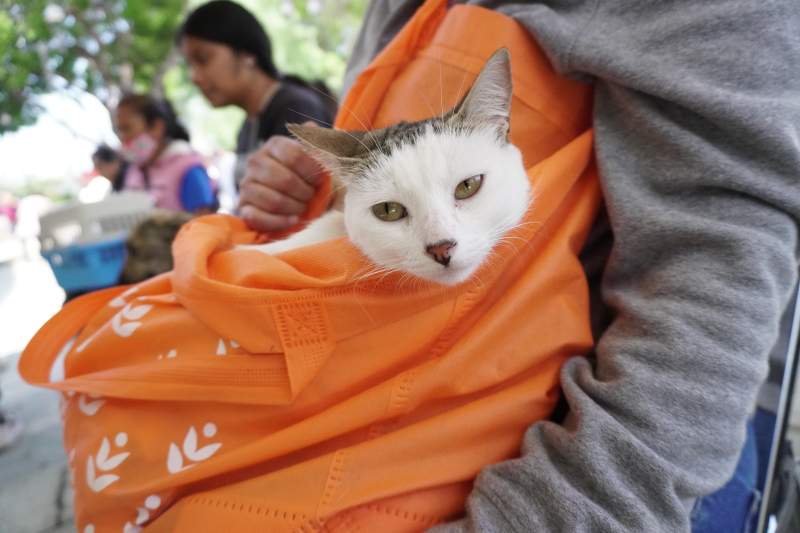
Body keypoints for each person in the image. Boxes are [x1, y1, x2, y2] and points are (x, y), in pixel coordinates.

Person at [238, 1, 800, 532]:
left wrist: (556, 513)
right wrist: (309, 190)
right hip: (400, 424)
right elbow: (384, 157)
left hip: (595, 467)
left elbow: (715, 276)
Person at [176, 0, 336, 198]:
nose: (194, 77)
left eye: (203, 59)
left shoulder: (296, 108)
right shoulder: (247, 128)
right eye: (190, 66)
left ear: (247, 54)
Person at [114, 94, 217, 213]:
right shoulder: (134, 171)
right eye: (120, 130)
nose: (123, 138)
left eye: (127, 128)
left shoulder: (187, 168)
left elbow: (203, 219)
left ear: (157, 127)